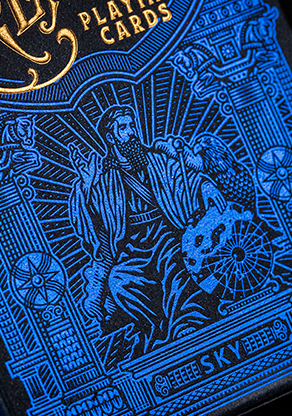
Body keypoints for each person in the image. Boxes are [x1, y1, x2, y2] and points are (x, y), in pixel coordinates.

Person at [69, 105, 226, 353]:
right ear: (110, 137)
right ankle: (159, 331)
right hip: (134, 247)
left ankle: (188, 323)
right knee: (119, 280)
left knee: (174, 269)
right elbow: (95, 223)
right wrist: (87, 188)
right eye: (123, 128)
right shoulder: (105, 178)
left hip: (166, 234)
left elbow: (182, 177)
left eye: (132, 126)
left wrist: (205, 186)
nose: (132, 132)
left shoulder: (155, 160)